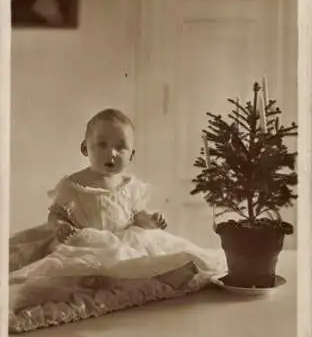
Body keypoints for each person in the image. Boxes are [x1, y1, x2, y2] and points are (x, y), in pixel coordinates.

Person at [10, 109, 222, 308]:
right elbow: (56, 213)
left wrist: (150, 220)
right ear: (85, 148)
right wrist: (60, 226)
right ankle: (99, 282)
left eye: (121, 147)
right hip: (85, 240)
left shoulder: (129, 185)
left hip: (124, 237)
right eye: (102, 145)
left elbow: (136, 216)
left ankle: (167, 273)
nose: (111, 153)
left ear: (132, 155)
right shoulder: (73, 185)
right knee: (81, 267)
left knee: (139, 257)